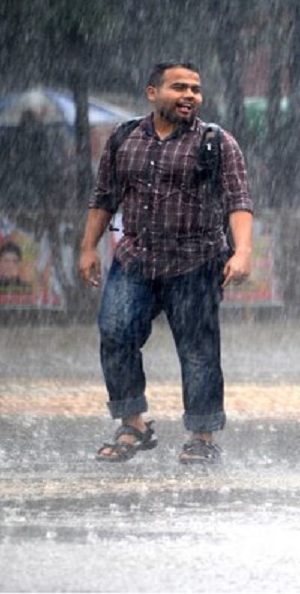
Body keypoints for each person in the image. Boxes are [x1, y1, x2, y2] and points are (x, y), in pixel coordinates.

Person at [79, 61, 253, 465]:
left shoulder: (216, 142)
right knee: (115, 333)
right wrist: (88, 246)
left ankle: (202, 435)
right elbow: (104, 196)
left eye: (195, 89)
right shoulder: (124, 138)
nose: (189, 95)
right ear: (152, 92)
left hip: (196, 261)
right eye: (179, 87)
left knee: (198, 352)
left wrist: (242, 250)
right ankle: (133, 424)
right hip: (135, 258)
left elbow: (238, 200)